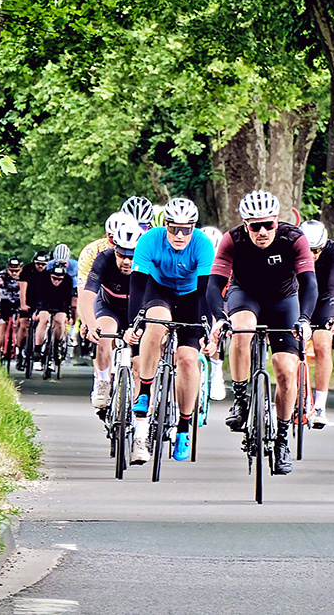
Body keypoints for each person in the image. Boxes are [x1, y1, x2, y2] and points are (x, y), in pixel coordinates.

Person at [209, 190, 316, 476]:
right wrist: (219, 318)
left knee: (285, 371)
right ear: (245, 225)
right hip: (245, 295)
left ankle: (281, 440)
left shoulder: (293, 239)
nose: (261, 232)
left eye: (267, 224)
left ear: (276, 222)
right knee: (241, 329)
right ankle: (242, 400)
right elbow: (214, 283)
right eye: (254, 225)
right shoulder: (233, 240)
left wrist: (305, 319)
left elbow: (309, 283)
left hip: (283, 301)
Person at [127, 197, 218, 465]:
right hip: (159, 291)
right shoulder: (150, 240)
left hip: (192, 297)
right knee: (154, 326)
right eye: (173, 228)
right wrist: (135, 324)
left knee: (189, 361)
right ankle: (145, 390)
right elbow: (137, 287)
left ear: (194, 227)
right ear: (164, 224)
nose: (179, 235)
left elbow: (206, 292)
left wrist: (206, 329)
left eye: (186, 229)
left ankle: (183, 428)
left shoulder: (202, 244)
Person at [86, 213, 146, 414]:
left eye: (132, 255)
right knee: (104, 336)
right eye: (122, 254)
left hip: (137, 313)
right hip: (110, 308)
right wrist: (90, 323)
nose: (127, 261)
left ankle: (140, 420)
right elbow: (88, 294)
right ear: (114, 250)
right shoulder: (103, 259)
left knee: (140, 365)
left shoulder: (148, 264)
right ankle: (103, 381)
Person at [300, 219, 334, 428]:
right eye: (308, 250)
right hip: (297, 299)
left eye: (317, 251)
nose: (312, 256)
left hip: (323, 301)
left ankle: (319, 406)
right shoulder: (291, 249)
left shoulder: (333, 250)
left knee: (323, 345)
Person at [27, 255, 78, 376]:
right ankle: (38, 350)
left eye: (60, 279)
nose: (57, 281)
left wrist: (68, 315)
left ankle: (56, 345)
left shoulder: (68, 281)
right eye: (54, 278)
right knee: (43, 320)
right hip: (45, 303)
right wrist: (37, 311)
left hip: (60, 304)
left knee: (60, 321)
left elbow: (68, 299)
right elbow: (38, 295)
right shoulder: (43, 277)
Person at [0, 258, 25, 361]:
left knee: (20, 323)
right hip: (4, 301)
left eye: (16, 270)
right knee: (2, 325)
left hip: (18, 302)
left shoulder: (23, 276)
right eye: (12, 270)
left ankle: (19, 349)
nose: (14, 273)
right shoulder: (2, 275)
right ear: (7, 269)